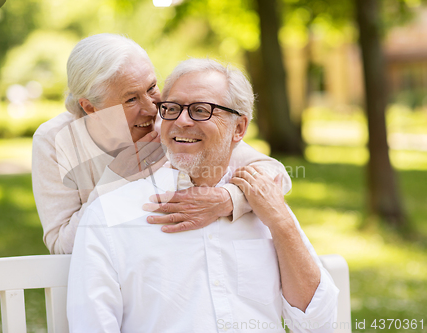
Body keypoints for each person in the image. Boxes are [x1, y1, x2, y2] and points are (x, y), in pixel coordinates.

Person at [67, 59, 339, 333]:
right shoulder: (110, 214)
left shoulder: (264, 202)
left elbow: (318, 324)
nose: (181, 121)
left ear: (239, 129)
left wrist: (281, 223)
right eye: (172, 109)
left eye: (200, 110)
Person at [32, 34, 291, 254]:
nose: (151, 107)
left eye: (152, 87)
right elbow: (61, 244)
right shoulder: (55, 141)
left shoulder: (171, 122)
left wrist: (229, 199)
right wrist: (117, 178)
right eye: (131, 99)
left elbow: (276, 174)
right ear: (90, 107)